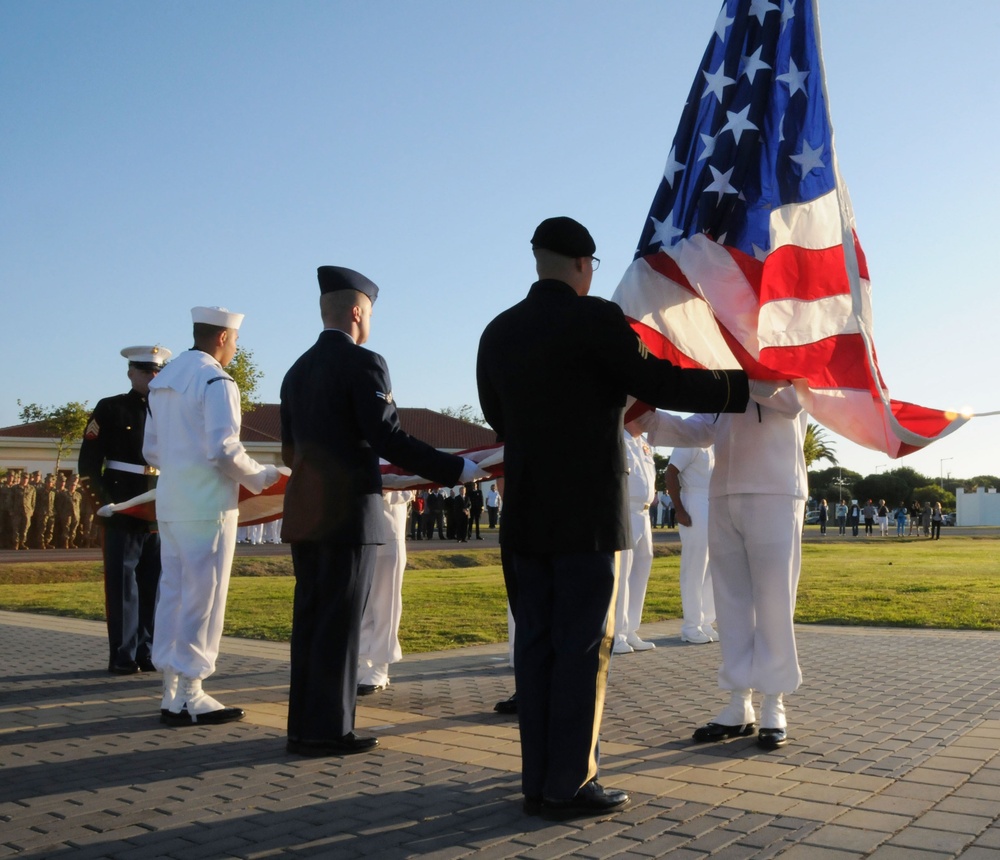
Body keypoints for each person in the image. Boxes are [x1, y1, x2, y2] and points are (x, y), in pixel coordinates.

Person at [476, 216, 748, 817]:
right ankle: (570, 783)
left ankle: (538, 779)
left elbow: (498, 417)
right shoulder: (597, 319)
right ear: (584, 265)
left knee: (538, 650)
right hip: (586, 517)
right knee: (581, 648)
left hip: (524, 516)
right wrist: (740, 385)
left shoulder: (497, 331)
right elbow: (657, 381)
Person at [280, 266, 487, 758]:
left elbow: (290, 451)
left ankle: (303, 725)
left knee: (310, 620)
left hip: (306, 511)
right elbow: (388, 436)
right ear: (357, 312)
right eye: (369, 312)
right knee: (341, 623)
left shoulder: (296, 370)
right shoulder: (365, 363)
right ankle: (330, 731)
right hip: (348, 514)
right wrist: (455, 468)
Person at [639, 384, 807, 753]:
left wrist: (739, 371)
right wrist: (647, 417)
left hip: (775, 490)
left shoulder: (784, 363)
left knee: (774, 598)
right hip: (723, 494)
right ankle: (738, 703)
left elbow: (792, 402)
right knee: (729, 602)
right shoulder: (723, 375)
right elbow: (703, 427)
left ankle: (773, 703)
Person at [144, 306, 281, 726]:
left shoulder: (163, 381)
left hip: (171, 504)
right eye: (235, 341)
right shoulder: (216, 380)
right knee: (204, 599)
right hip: (207, 507)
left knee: (173, 594)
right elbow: (223, 449)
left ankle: (170, 691)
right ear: (222, 338)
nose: (236, 350)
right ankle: (193, 692)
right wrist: (263, 476)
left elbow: (150, 451)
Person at [79, 344, 172, 675]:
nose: (153, 376)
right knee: (122, 585)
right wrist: (102, 503)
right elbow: (88, 464)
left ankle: (147, 651)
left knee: (154, 584)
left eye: (158, 371)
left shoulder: (171, 410)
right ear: (131, 373)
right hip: (121, 505)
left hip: (160, 506)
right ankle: (122, 654)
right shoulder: (111, 408)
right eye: (146, 371)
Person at [357, 489, 413, 694]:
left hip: (388, 531)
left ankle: (381, 666)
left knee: (385, 603)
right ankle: (363, 661)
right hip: (359, 527)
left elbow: (409, 489)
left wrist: (379, 489)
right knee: (363, 605)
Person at [612, 423, 657, 655]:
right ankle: (616, 634)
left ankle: (630, 630)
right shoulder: (619, 437)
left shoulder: (645, 443)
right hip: (625, 510)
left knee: (640, 570)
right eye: (645, 412)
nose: (650, 417)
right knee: (622, 573)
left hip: (645, 513)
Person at [665, 445, 717, 644]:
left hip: (711, 500)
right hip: (693, 500)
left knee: (711, 567)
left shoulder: (713, 442)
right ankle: (690, 626)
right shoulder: (690, 439)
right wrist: (679, 508)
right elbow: (671, 472)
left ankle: (705, 622)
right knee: (695, 567)